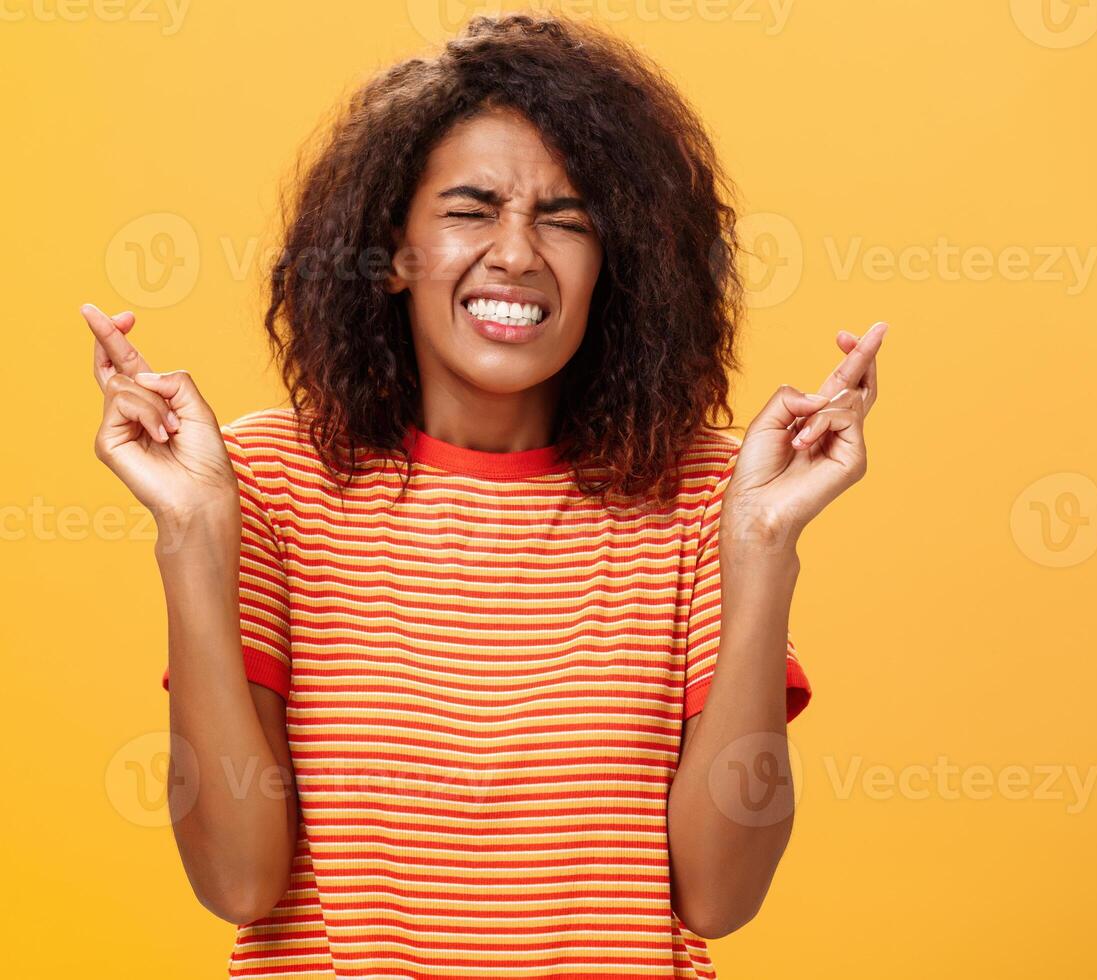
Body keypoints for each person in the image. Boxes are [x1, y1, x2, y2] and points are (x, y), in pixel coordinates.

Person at [83, 13, 883, 977]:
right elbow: (238, 884)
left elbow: (720, 895)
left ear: (614, 266)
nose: (516, 253)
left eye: (567, 218)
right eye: (471, 209)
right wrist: (190, 534)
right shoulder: (262, 483)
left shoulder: (707, 492)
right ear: (391, 251)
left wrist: (761, 544)